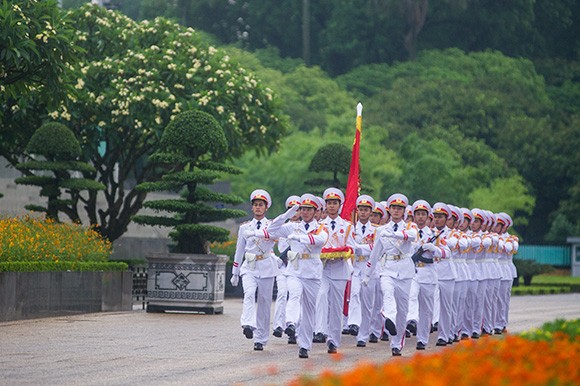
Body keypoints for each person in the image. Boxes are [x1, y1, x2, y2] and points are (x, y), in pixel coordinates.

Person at [266, 193, 329, 359]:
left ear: (315, 211)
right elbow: (271, 229)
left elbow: (320, 240)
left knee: (309, 310)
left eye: (309, 209)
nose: (306, 212)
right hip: (294, 270)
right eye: (303, 209)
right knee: (293, 294)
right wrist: (286, 215)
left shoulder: (321, 227)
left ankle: (305, 345)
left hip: (312, 273)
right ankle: (291, 323)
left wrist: (300, 238)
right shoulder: (292, 226)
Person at [363, 193, 418, 356]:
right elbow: (375, 254)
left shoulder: (410, 227)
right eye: (393, 208)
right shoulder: (381, 230)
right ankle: (388, 317)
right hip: (388, 268)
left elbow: (412, 237)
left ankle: (396, 343)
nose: (396, 211)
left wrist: (394, 235)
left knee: (403, 309)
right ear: (389, 210)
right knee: (387, 294)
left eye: (399, 208)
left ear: (404, 211)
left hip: (405, 269)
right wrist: (367, 274)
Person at [230, 189, 279, 351]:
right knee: (249, 294)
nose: (258, 208)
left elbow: (276, 239)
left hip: (266, 266)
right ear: (252, 208)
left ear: (266, 208)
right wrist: (235, 272)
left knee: (264, 303)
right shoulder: (245, 228)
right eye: (255, 205)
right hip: (249, 267)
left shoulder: (272, 226)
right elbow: (239, 250)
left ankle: (261, 339)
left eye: (261, 205)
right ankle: (248, 324)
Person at [314, 188, 356, 355]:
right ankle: (320, 330)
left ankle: (333, 340)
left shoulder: (346, 226)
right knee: (322, 295)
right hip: (323, 268)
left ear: (340, 205)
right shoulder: (319, 226)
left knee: (337, 304)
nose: (332, 206)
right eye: (329, 203)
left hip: (339, 268)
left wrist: (343, 252)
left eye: (335, 203)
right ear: (325, 206)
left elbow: (352, 246)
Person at [410, 200, 442, 350]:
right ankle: (411, 320)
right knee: (411, 296)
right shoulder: (409, 233)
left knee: (426, 309)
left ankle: (422, 339)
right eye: (418, 214)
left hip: (428, 273)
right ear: (413, 216)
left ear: (428, 217)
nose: (420, 217)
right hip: (412, 272)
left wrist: (433, 249)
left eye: (423, 214)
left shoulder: (435, 234)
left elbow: (446, 252)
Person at [348, 195, 377, 347]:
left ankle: (363, 335)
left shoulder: (377, 230)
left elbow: (376, 248)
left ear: (371, 212)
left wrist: (361, 248)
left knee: (367, 303)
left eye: (366, 210)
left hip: (369, 268)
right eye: (361, 209)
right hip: (355, 268)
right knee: (354, 294)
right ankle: (353, 323)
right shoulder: (351, 228)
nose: (363, 212)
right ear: (357, 211)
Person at [272, 195, 301, 342]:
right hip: (283, 267)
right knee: (282, 294)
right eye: (291, 209)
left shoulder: (303, 228)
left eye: (296, 210)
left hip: (297, 267)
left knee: (296, 298)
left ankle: (293, 330)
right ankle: (278, 325)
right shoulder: (284, 227)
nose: (294, 213)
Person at [431, 202, 456, 347]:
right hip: (432, 272)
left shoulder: (452, 233)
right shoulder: (428, 232)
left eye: (441, 217)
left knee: (446, 306)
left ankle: (445, 335)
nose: (438, 220)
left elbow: (452, 245)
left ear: (446, 219)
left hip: (446, 273)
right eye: (436, 217)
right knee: (432, 305)